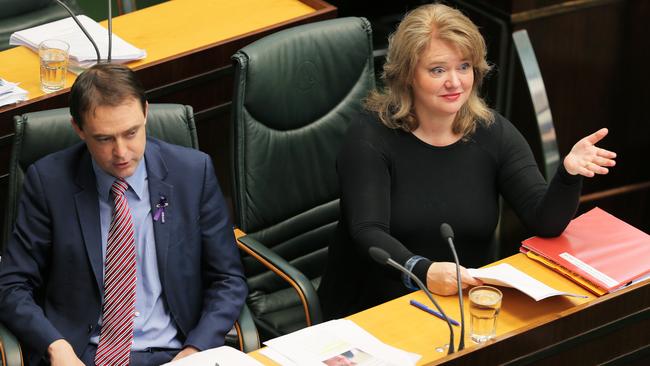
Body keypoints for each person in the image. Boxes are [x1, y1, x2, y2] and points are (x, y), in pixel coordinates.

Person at [318, 3, 616, 319]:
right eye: (437, 70)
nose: (455, 82)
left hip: (464, 306)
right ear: (407, 75)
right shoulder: (370, 136)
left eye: (464, 67)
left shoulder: (493, 132)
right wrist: (423, 270)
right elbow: (368, 232)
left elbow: (544, 222)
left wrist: (568, 175)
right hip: (376, 306)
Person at [0, 64, 248, 365]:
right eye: (104, 139)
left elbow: (228, 279)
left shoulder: (193, 173)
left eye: (131, 133)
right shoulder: (48, 183)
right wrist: (56, 346)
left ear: (145, 112)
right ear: (78, 128)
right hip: (83, 355)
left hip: (175, 353)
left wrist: (195, 351)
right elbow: (11, 286)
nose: (122, 152)